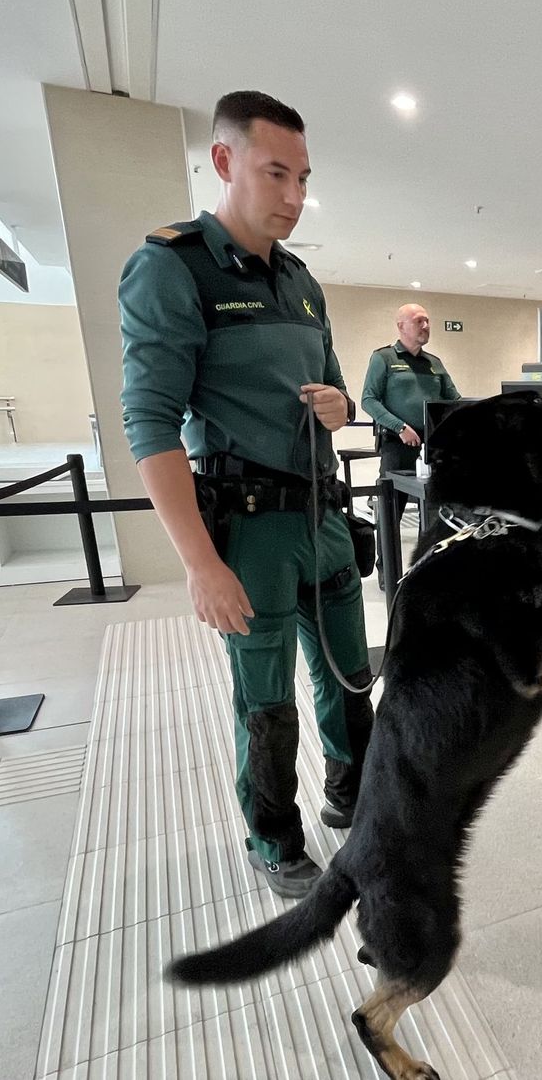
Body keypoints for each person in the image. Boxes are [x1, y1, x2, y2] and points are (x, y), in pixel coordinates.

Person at [119, 91, 374, 898]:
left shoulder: (301, 281)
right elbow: (149, 421)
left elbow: (339, 390)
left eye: (304, 178)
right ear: (225, 162)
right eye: (276, 173)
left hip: (324, 514)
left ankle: (353, 794)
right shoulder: (174, 266)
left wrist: (341, 405)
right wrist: (200, 564)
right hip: (251, 528)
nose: (294, 196)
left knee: (350, 674)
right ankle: (273, 835)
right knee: (265, 698)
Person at [360, 303, 460, 563]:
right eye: (418, 321)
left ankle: (426, 564)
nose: (425, 326)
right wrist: (400, 427)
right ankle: (387, 569)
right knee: (391, 511)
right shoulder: (384, 358)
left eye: (427, 321)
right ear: (401, 326)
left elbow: (454, 401)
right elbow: (369, 400)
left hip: (432, 449)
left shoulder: (434, 364)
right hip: (397, 446)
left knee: (432, 513)